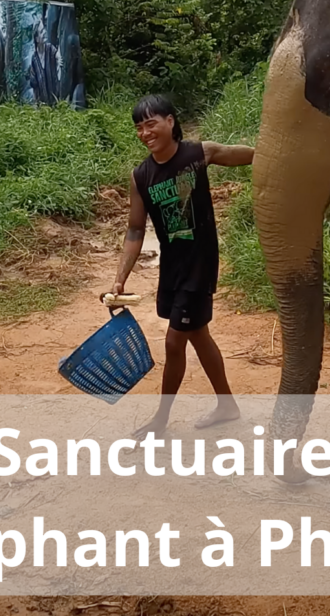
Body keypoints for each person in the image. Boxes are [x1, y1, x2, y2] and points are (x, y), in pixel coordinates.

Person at [110, 94, 255, 440]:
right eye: (139, 127)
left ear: (170, 121)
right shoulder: (141, 176)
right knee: (198, 335)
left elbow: (253, 155)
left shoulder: (198, 154)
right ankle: (227, 405)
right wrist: (119, 278)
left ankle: (160, 419)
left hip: (200, 264)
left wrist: (283, 155)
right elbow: (135, 229)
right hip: (172, 267)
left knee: (175, 342)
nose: (145, 133)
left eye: (151, 123)